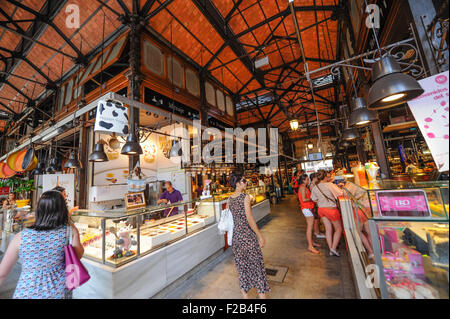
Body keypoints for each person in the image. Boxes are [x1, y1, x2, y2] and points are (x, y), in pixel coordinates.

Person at [0, 190, 84, 299]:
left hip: (27, 292)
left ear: (39, 209)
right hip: (59, 293)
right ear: (62, 209)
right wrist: (71, 226)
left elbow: (2, 274)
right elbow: (79, 255)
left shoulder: (22, 236)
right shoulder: (68, 231)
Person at [227, 173, 270, 299]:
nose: (246, 183)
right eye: (243, 181)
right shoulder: (245, 197)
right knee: (257, 267)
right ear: (237, 184)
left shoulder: (230, 199)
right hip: (247, 236)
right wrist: (260, 235)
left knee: (242, 268)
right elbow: (250, 219)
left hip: (236, 238)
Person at [311, 170, 343, 256]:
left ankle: (331, 249)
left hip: (321, 210)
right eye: (327, 176)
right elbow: (341, 193)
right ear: (325, 177)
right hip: (331, 209)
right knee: (339, 229)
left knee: (328, 230)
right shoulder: (330, 185)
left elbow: (313, 199)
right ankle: (333, 248)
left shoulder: (315, 187)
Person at [298, 174, 322, 254]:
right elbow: (304, 199)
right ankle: (310, 246)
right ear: (303, 180)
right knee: (309, 227)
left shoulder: (304, 187)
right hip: (306, 208)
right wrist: (312, 199)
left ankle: (312, 242)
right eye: (307, 179)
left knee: (310, 227)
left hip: (308, 208)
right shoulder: (302, 187)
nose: (308, 181)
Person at [308, 173, 325, 239]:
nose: (317, 178)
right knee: (316, 219)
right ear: (314, 178)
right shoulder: (312, 185)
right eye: (316, 177)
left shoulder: (314, 184)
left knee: (317, 219)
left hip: (316, 203)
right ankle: (317, 232)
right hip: (314, 204)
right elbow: (314, 196)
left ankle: (318, 232)